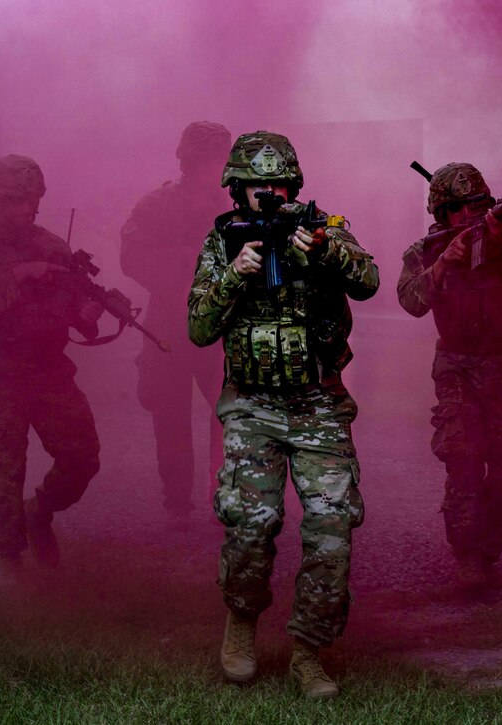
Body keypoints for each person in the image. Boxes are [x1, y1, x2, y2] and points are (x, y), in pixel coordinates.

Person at [188, 131, 378, 698]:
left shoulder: (323, 228)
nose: (266, 192)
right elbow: (198, 329)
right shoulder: (223, 241)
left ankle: (308, 651)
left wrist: (325, 250)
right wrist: (235, 275)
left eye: (276, 182)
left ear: (291, 184)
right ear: (236, 188)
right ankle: (241, 624)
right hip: (252, 405)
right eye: (254, 184)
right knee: (252, 522)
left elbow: (367, 281)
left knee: (332, 526)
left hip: (317, 402)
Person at [397, 162, 502, 591]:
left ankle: (487, 550)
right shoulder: (425, 251)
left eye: (477, 205)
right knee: (463, 457)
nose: (469, 215)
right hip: (455, 364)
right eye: (460, 208)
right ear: (442, 212)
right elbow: (411, 301)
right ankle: (467, 557)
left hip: (501, 362)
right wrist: (444, 263)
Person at [0, 155, 105, 577]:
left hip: (50, 370)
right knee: (4, 471)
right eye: (17, 200)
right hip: (1, 373)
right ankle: (9, 562)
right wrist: (20, 275)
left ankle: (41, 511)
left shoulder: (53, 246)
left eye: (32, 200)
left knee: (82, 457)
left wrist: (87, 316)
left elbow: (72, 312)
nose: (27, 209)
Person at [120, 121, 230, 518]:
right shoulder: (157, 206)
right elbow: (131, 258)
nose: (211, 170)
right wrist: (183, 262)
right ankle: (177, 502)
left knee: (232, 414)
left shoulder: (238, 210)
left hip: (221, 330)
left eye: (219, 161)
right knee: (170, 418)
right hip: (169, 326)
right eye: (205, 160)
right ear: (187, 161)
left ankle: (227, 498)